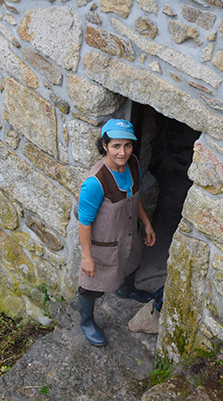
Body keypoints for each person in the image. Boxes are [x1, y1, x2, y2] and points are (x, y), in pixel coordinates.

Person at [77, 118, 156, 346]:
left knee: (131, 262)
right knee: (91, 286)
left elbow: (135, 197)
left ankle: (127, 290)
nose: (123, 152)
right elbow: (84, 223)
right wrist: (87, 257)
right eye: (116, 146)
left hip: (128, 234)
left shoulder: (133, 164)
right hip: (104, 244)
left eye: (127, 145)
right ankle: (86, 321)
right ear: (105, 146)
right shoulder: (95, 182)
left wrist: (147, 224)